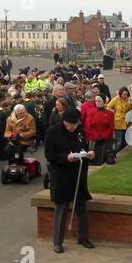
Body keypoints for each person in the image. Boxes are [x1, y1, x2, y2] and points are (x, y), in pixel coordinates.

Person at [44, 106, 94, 253]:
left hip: (78, 175)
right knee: (62, 208)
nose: (75, 127)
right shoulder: (52, 133)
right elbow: (50, 155)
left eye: (77, 124)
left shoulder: (79, 131)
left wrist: (88, 155)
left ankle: (83, 237)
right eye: (72, 125)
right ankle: (58, 242)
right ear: (66, 122)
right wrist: (66, 157)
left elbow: (82, 147)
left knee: (81, 208)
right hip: (62, 175)